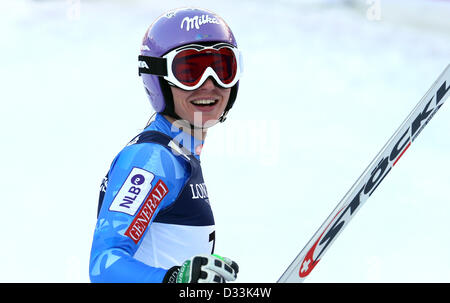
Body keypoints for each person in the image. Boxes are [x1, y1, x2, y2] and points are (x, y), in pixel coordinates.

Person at [89, 7, 243, 283]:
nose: (210, 84)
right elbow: (105, 265)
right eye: (189, 71)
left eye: (222, 67)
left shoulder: (180, 153)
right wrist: (175, 280)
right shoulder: (153, 159)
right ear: (158, 79)